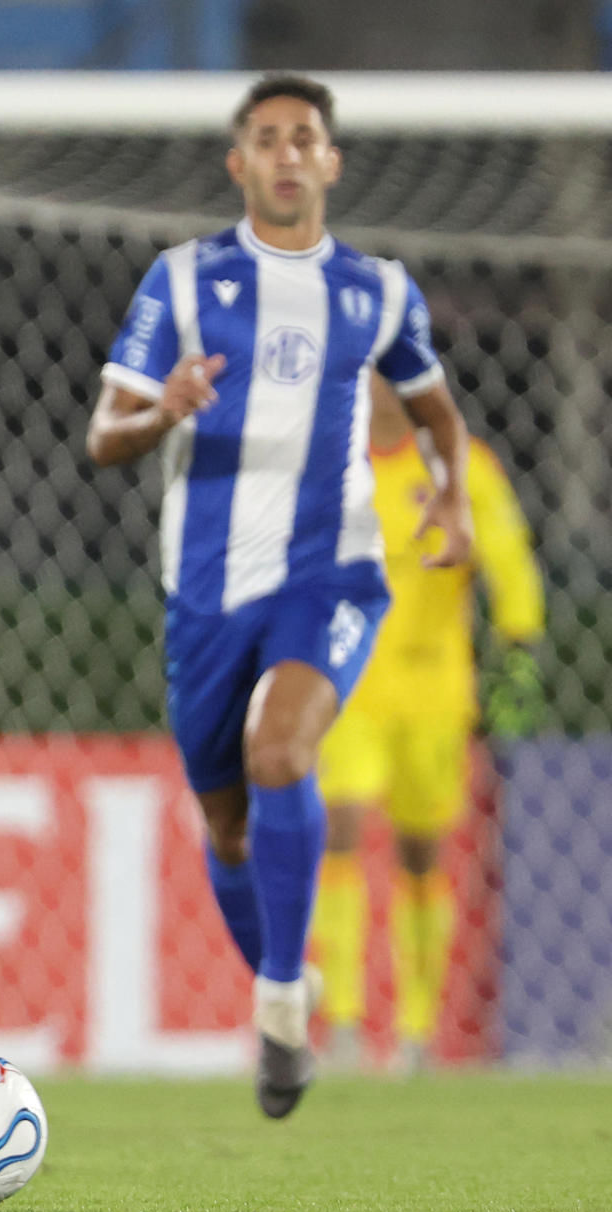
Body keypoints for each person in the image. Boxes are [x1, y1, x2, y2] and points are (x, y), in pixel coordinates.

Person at [87, 74, 475, 1118]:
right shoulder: (180, 281)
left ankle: (282, 1003)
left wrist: (457, 502)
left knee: (280, 752)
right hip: (208, 590)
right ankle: (286, 985)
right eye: (268, 139)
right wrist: (163, 409)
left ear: (331, 161)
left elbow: (438, 413)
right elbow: (103, 439)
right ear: (240, 162)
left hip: (331, 572)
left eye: (306, 138)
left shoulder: (378, 290)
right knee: (225, 821)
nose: (288, 154)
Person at [310, 375, 544, 1073]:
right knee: (341, 825)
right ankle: (346, 1025)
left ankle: (416, 1032)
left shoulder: (464, 465)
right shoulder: (330, 469)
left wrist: (519, 643)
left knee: (420, 854)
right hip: (349, 687)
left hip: (435, 690)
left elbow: (509, 559)